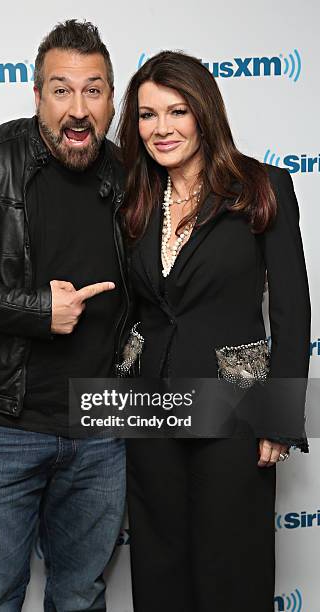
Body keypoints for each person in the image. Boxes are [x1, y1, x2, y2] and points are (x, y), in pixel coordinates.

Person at [0, 20, 129, 612]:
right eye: (61, 89)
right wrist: (39, 310)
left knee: (82, 596)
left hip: (101, 431)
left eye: (94, 89)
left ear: (112, 99)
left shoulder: (128, 176)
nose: (78, 107)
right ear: (36, 95)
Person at [118, 51, 310, 612]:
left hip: (236, 410)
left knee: (232, 566)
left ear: (203, 111)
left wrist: (280, 417)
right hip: (151, 408)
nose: (161, 129)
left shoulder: (262, 186)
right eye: (147, 115)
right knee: (159, 562)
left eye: (176, 111)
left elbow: (293, 312)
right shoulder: (136, 196)